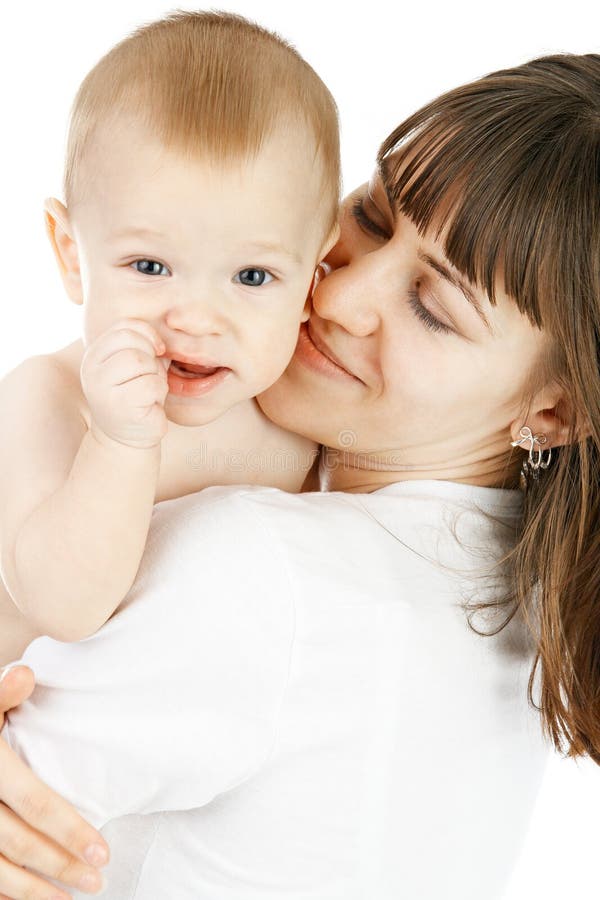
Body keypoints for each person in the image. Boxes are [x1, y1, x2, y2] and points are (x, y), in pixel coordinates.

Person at [0, 50, 599, 900]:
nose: (341, 298)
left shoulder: (265, 572)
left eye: (434, 309)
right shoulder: (519, 592)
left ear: (552, 413)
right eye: (374, 218)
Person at [0, 9, 339, 653]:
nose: (196, 319)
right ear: (72, 255)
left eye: (252, 276)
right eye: (150, 266)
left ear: (313, 277)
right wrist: (118, 443)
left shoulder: (299, 410)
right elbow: (63, 608)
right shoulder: (47, 398)